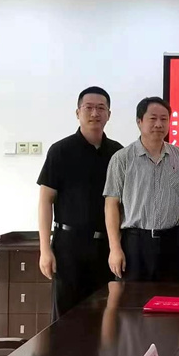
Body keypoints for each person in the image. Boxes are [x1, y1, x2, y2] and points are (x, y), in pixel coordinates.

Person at [37, 86, 123, 321]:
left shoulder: (117, 153)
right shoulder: (60, 151)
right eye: (89, 107)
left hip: (106, 248)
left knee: (105, 317)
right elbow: (45, 201)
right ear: (78, 113)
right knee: (66, 318)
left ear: (109, 114)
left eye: (101, 108)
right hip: (69, 247)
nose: (95, 113)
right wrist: (45, 249)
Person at [103, 97, 179, 282]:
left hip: (171, 241)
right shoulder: (122, 158)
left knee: (169, 297)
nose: (159, 124)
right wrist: (115, 248)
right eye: (153, 118)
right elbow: (111, 205)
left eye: (164, 119)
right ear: (139, 121)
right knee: (132, 298)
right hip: (135, 243)